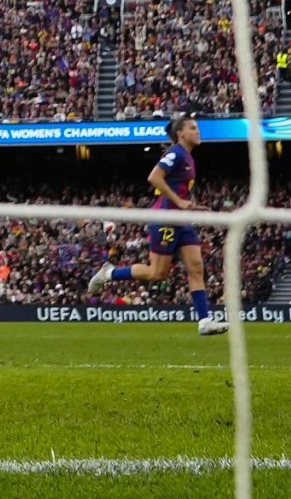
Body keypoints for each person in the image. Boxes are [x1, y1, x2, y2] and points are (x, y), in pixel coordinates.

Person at [88, 114, 226, 336]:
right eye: (193, 128)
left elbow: (178, 189)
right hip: (165, 220)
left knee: (196, 268)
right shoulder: (175, 153)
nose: (198, 132)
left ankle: (205, 321)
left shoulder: (188, 157)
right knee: (157, 273)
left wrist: (190, 206)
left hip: (181, 220)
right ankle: (109, 273)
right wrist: (180, 201)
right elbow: (154, 177)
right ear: (181, 133)